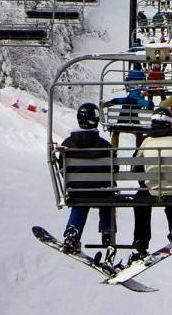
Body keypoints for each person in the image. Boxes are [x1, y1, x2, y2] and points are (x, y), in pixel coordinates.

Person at [130, 108, 172, 263]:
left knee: (141, 199)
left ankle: (141, 240)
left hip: (153, 188)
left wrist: (144, 181)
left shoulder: (146, 140)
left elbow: (135, 166)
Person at [60, 103, 114, 255]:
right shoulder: (104, 146)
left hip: (77, 190)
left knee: (81, 203)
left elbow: (62, 168)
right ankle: (107, 231)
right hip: (102, 192)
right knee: (107, 198)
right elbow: (113, 169)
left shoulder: (67, 144)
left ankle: (72, 233)